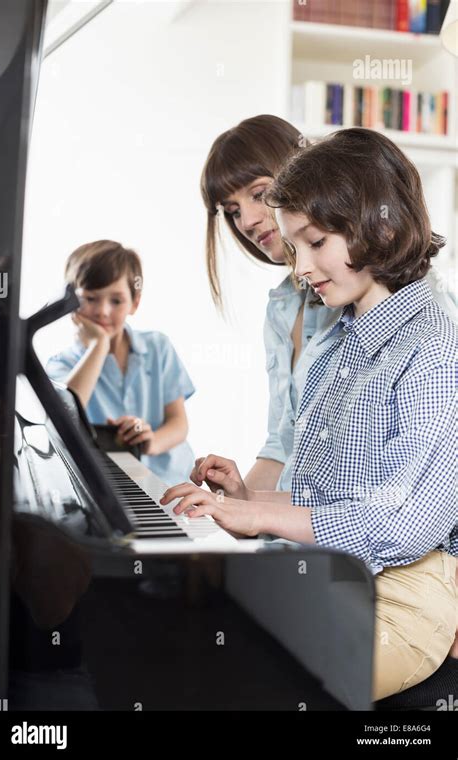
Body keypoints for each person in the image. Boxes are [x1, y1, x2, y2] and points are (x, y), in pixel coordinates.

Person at [161, 128, 457, 700]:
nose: (299, 268)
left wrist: (261, 520)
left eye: (315, 243)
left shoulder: (435, 348)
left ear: (384, 226)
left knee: (231, 681)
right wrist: (244, 501)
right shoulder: (336, 347)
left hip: (400, 599)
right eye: (294, 248)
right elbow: (328, 497)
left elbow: (402, 522)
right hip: (325, 575)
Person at [201, 115, 456, 495]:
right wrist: (242, 505)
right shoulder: (283, 307)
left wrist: (259, 516)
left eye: (258, 194)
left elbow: (402, 496)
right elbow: (285, 444)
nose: (249, 221)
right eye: (232, 211)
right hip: (300, 528)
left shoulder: (419, 317)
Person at [46, 240, 195, 486]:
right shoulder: (61, 365)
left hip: (171, 481)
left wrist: (151, 442)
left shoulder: (158, 347)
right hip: (111, 488)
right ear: (71, 303)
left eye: (116, 301)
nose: (103, 311)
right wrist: (99, 346)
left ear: (134, 303)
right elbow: (63, 420)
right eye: (90, 299)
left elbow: (178, 423)